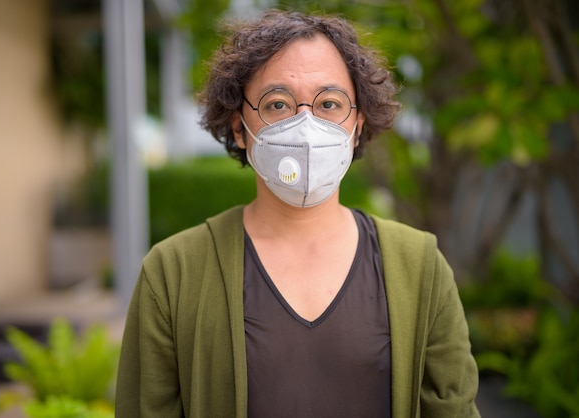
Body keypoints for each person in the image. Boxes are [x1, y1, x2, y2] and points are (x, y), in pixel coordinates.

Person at [115, 9, 480, 418]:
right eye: (277, 104)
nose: (305, 125)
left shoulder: (420, 267)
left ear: (357, 124)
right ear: (239, 127)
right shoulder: (174, 272)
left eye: (328, 103)